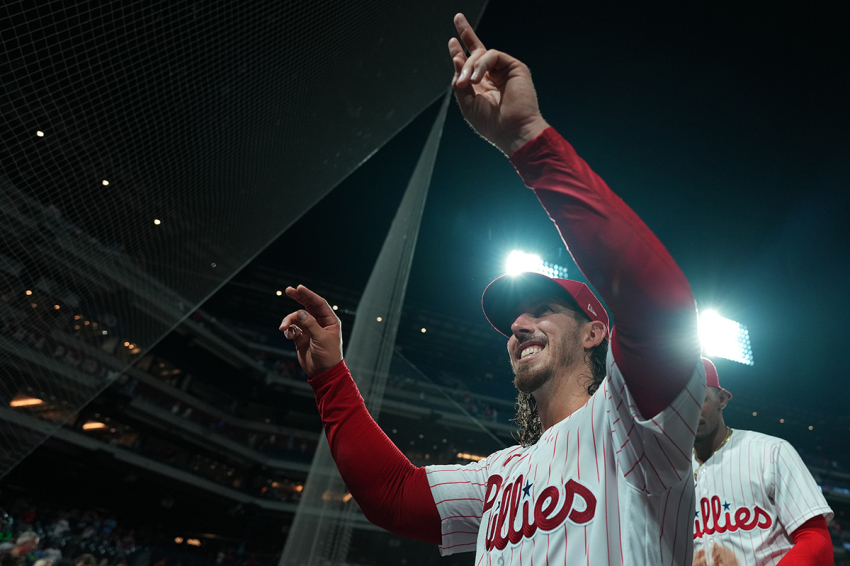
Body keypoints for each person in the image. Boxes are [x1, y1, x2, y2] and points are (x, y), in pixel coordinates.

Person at [280, 12, 706, 565]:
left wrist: (530, 143)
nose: (519, 325)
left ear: (595, 331)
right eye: (512, 320)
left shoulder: (635, 424)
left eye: (543, 310)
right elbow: (392, 495)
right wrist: (330, 377)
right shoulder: (498, 475)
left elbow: (662, 308)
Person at [692, 358, 833, 565]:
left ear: (722, 399)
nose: (690, 411)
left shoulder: (771, 451)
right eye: (680, 405)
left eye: (699, 399)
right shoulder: (667, 472)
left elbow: (816, 543)